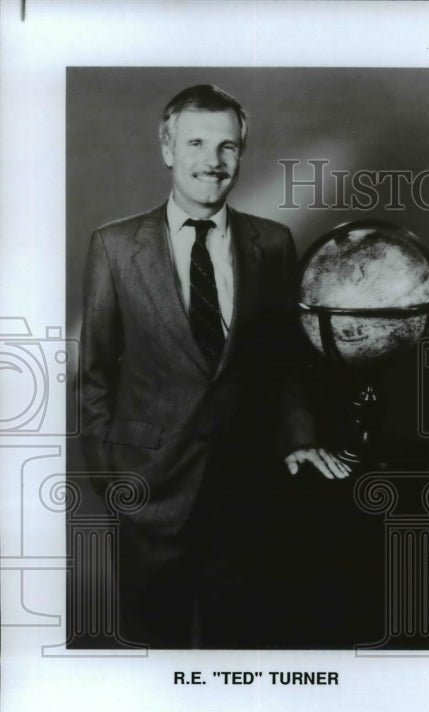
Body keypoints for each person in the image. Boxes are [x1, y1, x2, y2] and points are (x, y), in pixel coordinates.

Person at [79, 84, 349, 648]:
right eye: (197, 142)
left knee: (239, 647)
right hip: (148, 489)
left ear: (241, 154)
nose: (213, 161)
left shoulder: (271, 243)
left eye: (227, 146)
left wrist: (299, 437)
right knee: (154, 658)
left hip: (245, 489)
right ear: (168, 149)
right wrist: (111, 476)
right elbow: (97, 373)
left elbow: (288, 363)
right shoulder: (113, 246)